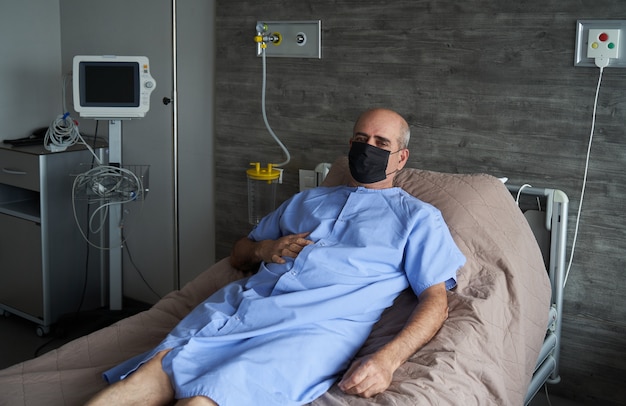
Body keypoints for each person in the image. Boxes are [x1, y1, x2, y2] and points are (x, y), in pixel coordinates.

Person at [86, 108, 466, 406]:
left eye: (381, 143)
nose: (367, 147)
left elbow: (435, 300)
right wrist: (262, 250)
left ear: (401, 159)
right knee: (151, 374)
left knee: (206, 398)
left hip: (310, 331)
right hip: (239, 309)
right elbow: (239, 253)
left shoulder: (417, 219)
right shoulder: (308, 200)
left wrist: (388, 361)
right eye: (360, 138)